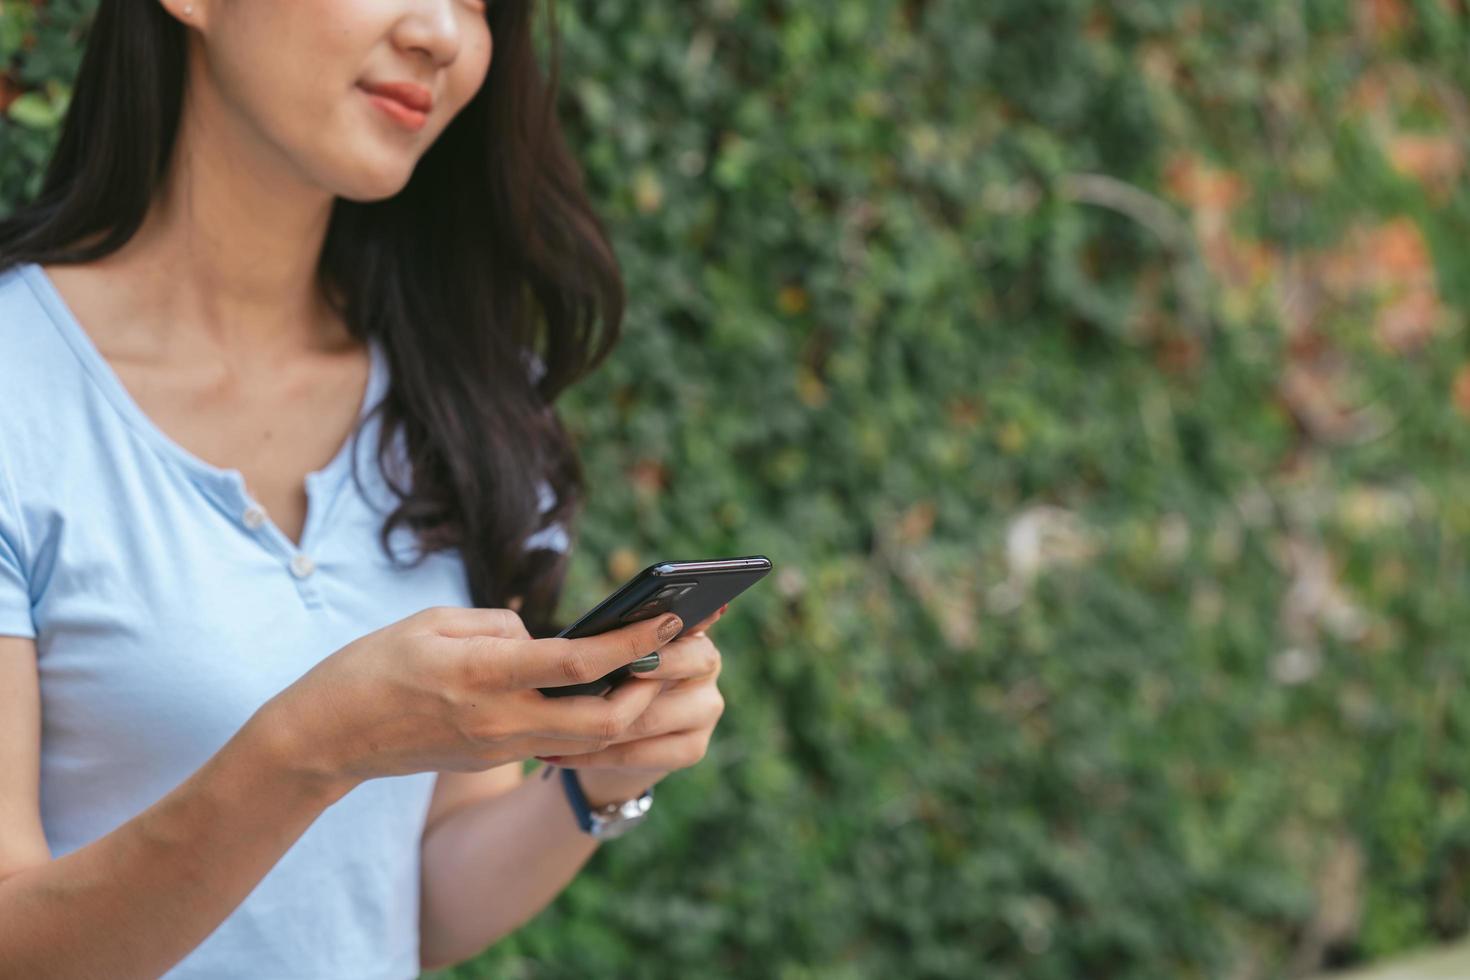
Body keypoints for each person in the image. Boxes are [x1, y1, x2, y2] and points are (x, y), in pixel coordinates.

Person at [0, 1, 728, 976]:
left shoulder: (467, 397)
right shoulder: (20, 389)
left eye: (478, 2)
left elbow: (410, 903)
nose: (442, 32)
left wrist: (599, 780)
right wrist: (314, 746)